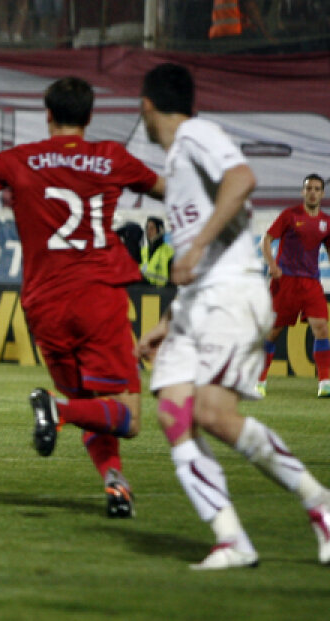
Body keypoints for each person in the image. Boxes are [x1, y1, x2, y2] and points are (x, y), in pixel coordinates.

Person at [0, 77, 165, 518]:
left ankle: (115, 483)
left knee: (92, 404)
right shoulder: (111, 158)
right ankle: (56, 410)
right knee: (126, 415)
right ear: (90, 116)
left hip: (44, 304)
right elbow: (173, 193)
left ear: (48, 114)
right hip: (99, 297)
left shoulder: (19, 160)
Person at [136, 62, 330, 569]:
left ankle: (320, 501)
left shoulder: (196, 133)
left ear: (148, 106)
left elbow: (243, 178)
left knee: (212, 415)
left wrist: (196, 245)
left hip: (232, 297)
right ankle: (231, 539)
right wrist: (168, 320)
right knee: (174, 414)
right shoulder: (179, 161)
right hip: (196, 306)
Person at [258, 173, 330, 398]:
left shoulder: (326, 222)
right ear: (303, 191)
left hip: (311, 282)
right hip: (285, 281)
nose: (313, 192)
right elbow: (266, 240)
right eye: (309, 188)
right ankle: (258, 380)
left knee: (322, 328)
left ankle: (325, 382)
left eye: (317, 189)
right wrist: (271, 264)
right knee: (273, 333)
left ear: (322, 194)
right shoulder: (290, 215)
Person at [140, 216, 174, 286]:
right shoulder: (143, 251)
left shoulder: (169, 252)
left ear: (160, 230)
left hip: (162, 294)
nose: (148, 231)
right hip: (142, 293)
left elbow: (174, 280)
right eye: (147, 228)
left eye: (152, 228)